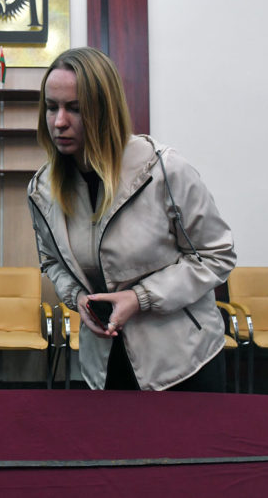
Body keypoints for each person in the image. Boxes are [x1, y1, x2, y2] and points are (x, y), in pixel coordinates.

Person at [27, 47, 236, 391]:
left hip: (183, 363)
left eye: (75, 109)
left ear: (104, 111)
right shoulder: (42, 190)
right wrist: (77, 297)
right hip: (104, 365)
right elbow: (51, 261)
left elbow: (217, 255)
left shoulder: (164, 170)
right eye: (52, 107)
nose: (59, 122)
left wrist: (140, 297)